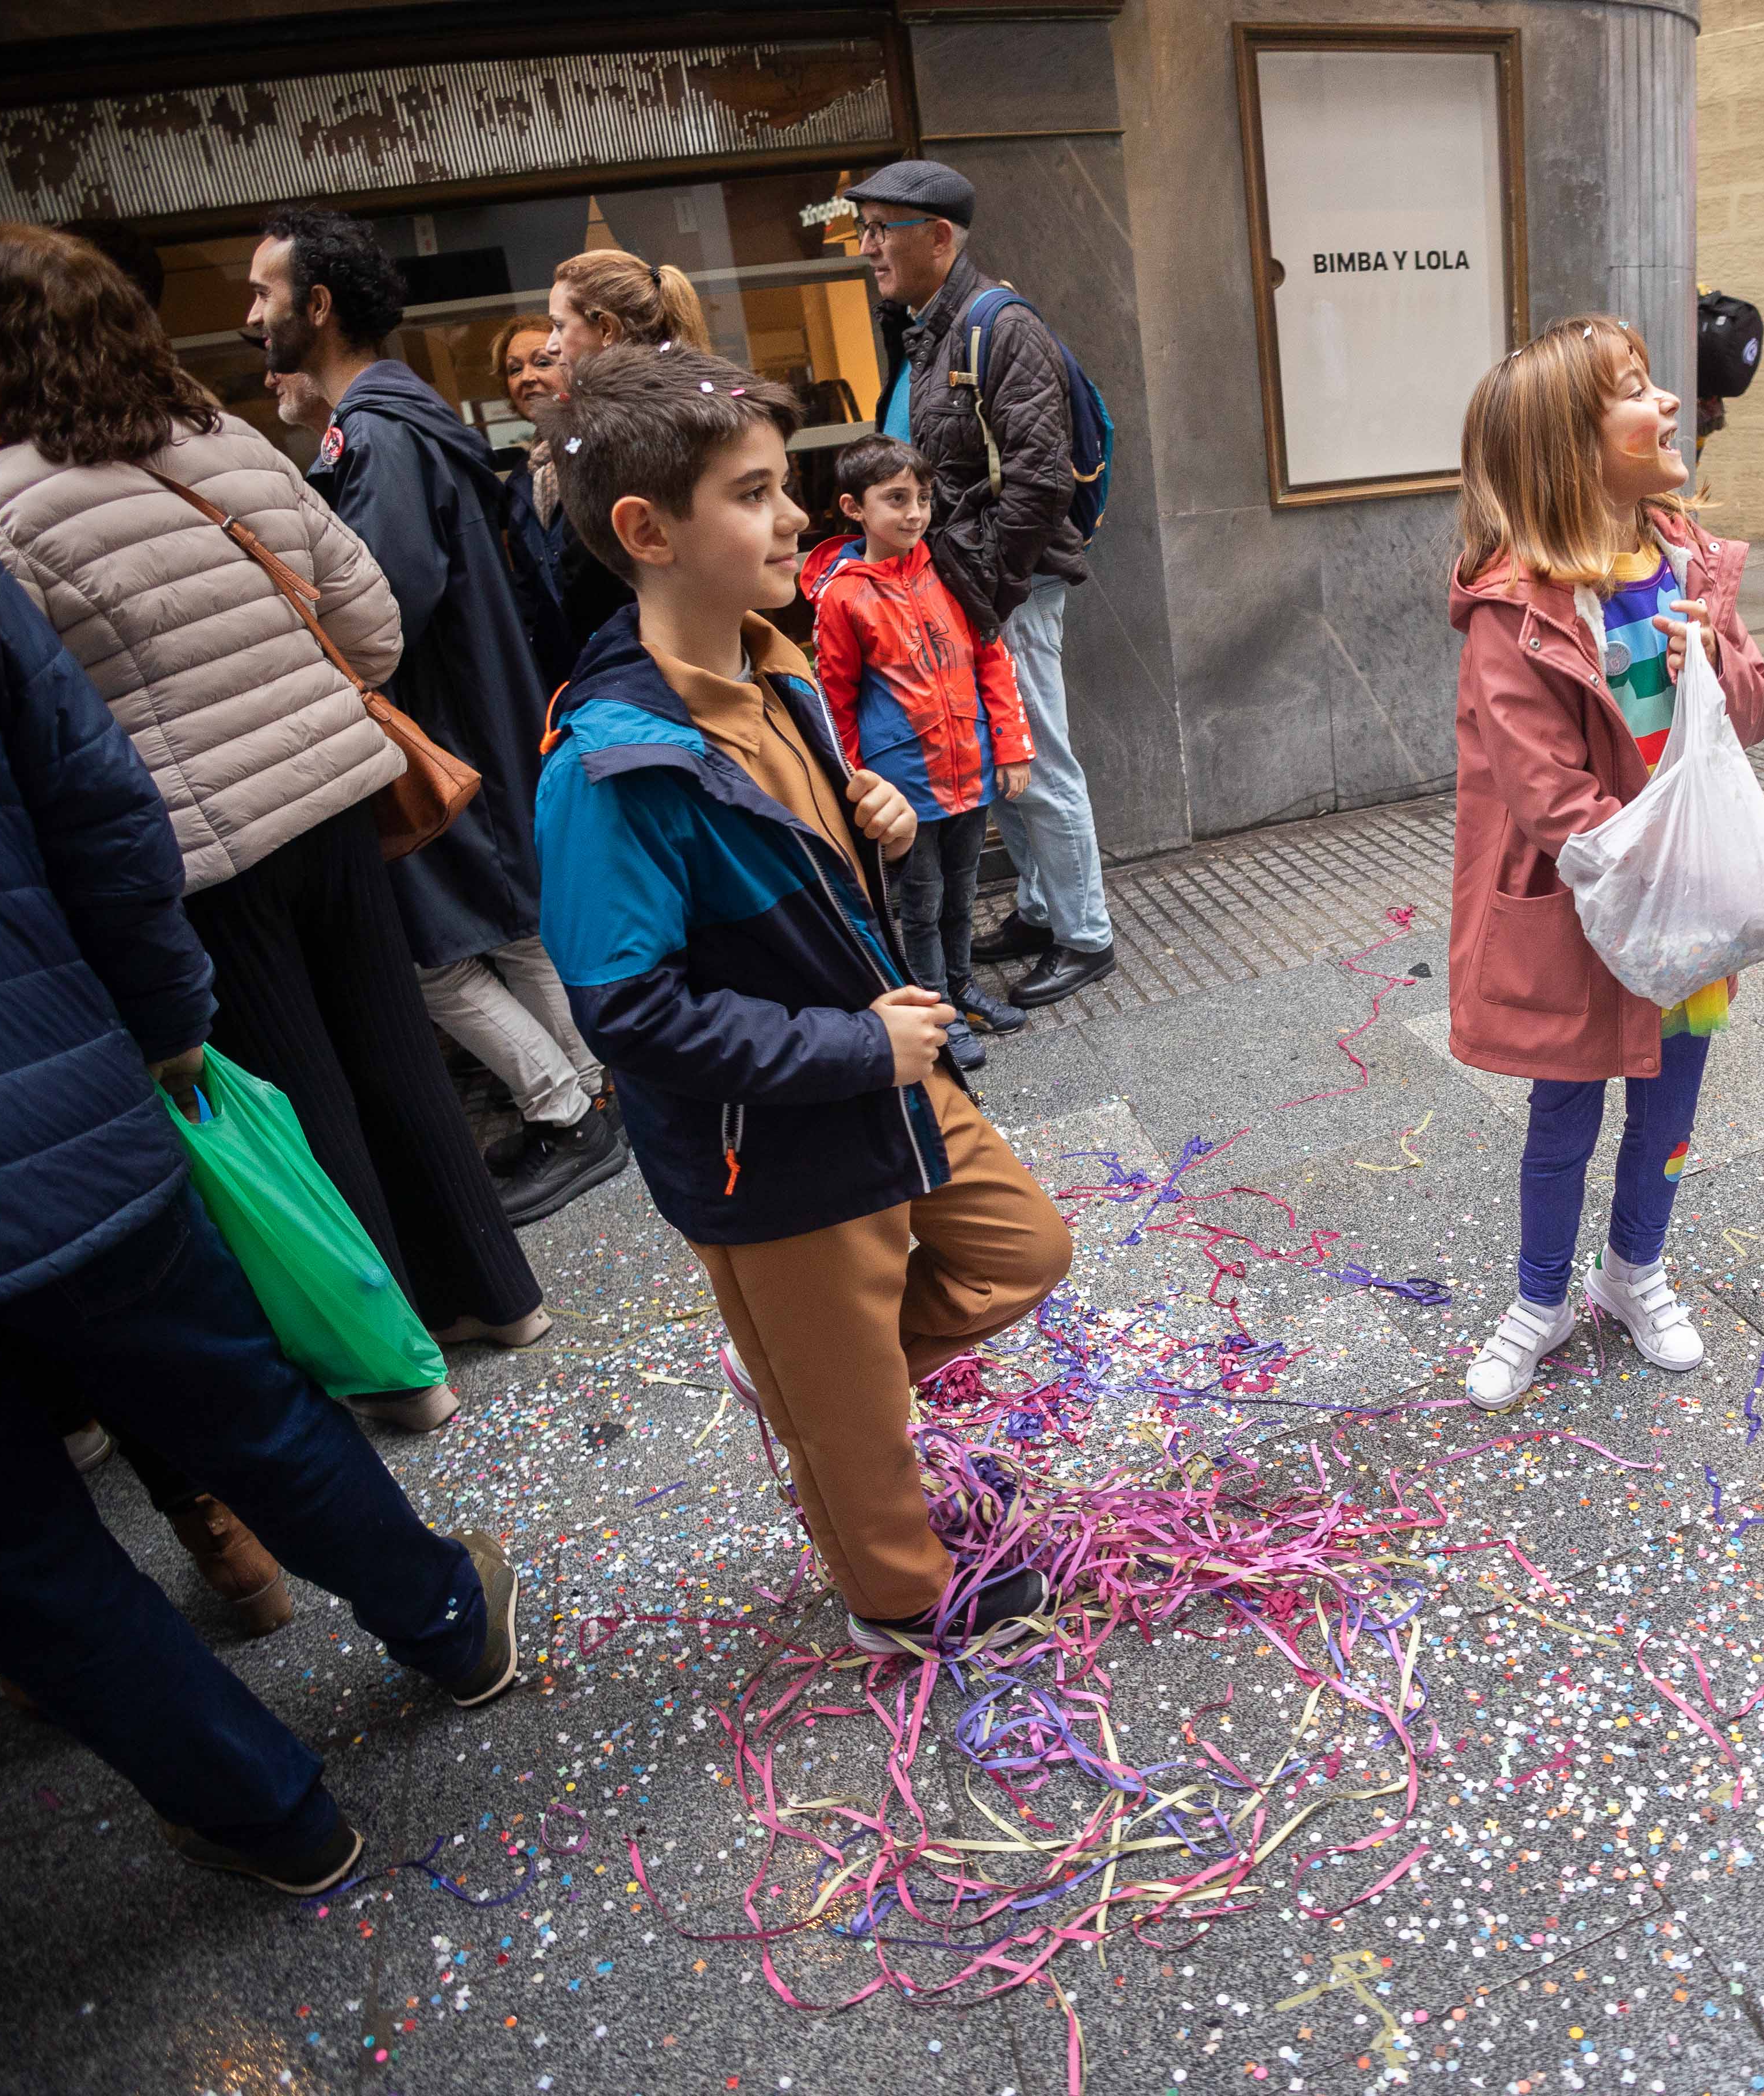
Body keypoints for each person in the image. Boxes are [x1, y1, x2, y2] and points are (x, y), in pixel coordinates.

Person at [0, 376, 522, 1898]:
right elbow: (89, 788)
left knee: (12, 1556)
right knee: (243, 1402)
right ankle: (442, 1621)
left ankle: (269, 1815)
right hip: (48, 1092)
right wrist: (172, 1028)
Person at [534, 345, 1075, 1655]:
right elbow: (632, 1015)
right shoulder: (608, 769)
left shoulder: (773, 670)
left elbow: (790, 858)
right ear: (645, 532)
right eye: (756, 494)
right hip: (770, 1143)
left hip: (875, 1082)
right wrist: (855, 1046)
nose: (793, 520)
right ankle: (898, 1592)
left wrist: (867, 819)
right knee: (848, 1424)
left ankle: (808, 1383)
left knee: (1021, 1248)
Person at [0, 221, 540, 1399]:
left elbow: (17, 721)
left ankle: (401, 1354)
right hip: (332, 794)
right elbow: (367, 618)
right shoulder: (221, 442)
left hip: (194, 846)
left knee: (296, 1087)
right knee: (394, 1050)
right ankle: (497, 1294)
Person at [252, 206, 626, 1230]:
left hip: (434, 726)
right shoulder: (403, 417)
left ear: (317, 307)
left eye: (264, 294)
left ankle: (570, 1105)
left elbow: (389, 597)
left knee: (440, 949)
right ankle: (592, 1092)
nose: (252, 316)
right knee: (506, 929)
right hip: (471, 716)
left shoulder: (374, 432)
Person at [1446, 316, 1764, 1411]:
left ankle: (1634, 1273)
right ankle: (1540, 1297)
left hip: (1686, 914)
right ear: (1566, 446)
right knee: (1566, 1110)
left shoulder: (1687, 560)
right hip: (1586, 916)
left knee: (1669, 1107)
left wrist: (1714, 659)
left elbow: (1758, 715)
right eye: (1636, 389)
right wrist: (1652, 886)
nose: (1669, 401)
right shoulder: (1517, 608)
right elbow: (1548, 796)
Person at [844, 160, 1116, 1010]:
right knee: (1009, 756)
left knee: (1041, 758)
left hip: (1010, 591)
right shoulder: (933, 326)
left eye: (881, 228)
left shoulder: (998, 327)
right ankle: (1039, 911)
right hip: (978, 590)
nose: (867, 247)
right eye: (865, 230)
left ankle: (1085, 935)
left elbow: (1040, 482)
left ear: (938, 237)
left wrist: (983, 597)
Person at [801, 435, 1035, 1073]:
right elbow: (836, 703)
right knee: (923, 904)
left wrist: (1011, 747)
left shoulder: (949, 569)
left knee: (962, 894)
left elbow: (991, 656)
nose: (914, 513)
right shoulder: (844, 597)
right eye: (896, 499)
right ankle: (939, 1006)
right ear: (854, 507)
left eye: (923, 499)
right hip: (906, 784)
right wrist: (852, 791)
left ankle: (960, 987)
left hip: (970, 769)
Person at [536, 248, 714, 666]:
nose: (550, 345)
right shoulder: (619, 423)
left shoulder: (639, 433)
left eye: (560, 325)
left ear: (607, 329)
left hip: (659, 669)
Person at [491, 313, 579, 688]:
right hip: (569, 678)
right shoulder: (520, 483)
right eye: (514, 370)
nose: (527, 378)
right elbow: (531, 595)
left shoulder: (610, 453)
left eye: (542, 362)